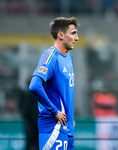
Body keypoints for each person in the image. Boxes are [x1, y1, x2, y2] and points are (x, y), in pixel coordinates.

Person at [29, 17, 79, 150]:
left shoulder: (68, 58)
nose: (77, 38)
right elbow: (34, 85)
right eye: (73, 33)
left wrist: (69, 118)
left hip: (67, 129)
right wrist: (54, 111)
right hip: (54, 127)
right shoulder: (51, 56)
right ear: (61, 35)